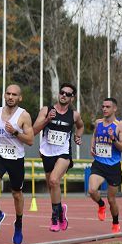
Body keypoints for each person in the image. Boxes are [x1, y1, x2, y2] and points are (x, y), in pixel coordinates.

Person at [0, 85, 34, 244]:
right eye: (8, 93)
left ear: (20, 98)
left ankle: (18, 224)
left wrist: (15, 132)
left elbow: (30, 140)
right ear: (4, 95)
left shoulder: (24, 115)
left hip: (16, 158)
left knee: (16, 193)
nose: (11, 97)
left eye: (14, 94)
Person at [33, 83, 84, 232]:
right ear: (58, 94)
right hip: (47, 153)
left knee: (54, 180)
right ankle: (61, 211)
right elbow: (34, 130)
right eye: (62, 92)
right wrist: (47, 119)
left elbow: (80, 126)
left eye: (68, 94)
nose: (64, 95)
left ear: (72, 98)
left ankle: (55, 218)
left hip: (63, 153)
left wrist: (78, 136)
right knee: (52, 186)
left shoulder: (74, 115)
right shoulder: (46, 110)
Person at [87, 97, 122, 234]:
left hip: (113, 166)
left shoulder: (120, 126)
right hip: (99, 163)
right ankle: (100, 204)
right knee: (92, 190)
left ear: (114, 108)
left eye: (107, 107)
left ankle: (115, 222)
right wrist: (92, 146)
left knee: (111, 199)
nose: (104, 109)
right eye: (103, 106)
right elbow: (94, 135)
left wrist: (113, 139)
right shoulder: (98, 123)